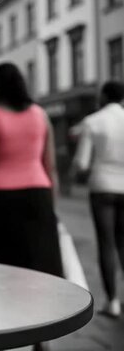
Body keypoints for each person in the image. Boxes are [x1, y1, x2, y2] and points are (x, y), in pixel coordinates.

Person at [0, 63, 63, 276]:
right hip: (37, 196)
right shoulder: (41, 115)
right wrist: (52, 208)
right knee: (41, 263)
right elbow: (50, 167)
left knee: (1, 267)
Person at [73, 81, 124, 318]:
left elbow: (82, 163)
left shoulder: (93, 121)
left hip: (102, 186)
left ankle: (112, 300)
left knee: (107, 243)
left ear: (104, 96)